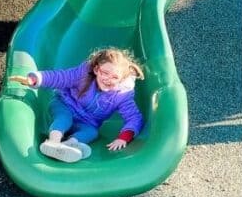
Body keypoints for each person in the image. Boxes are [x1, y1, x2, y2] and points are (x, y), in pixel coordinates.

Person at [9, 48, 146, 162]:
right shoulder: (83, 74)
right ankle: (53, 142)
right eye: (105, 73)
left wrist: (124, 138)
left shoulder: (122, 95)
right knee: (64, 119)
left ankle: (69, 146)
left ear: (122, 78)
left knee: (92, 132)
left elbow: (134, 117)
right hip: (64, 104)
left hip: (87, 121)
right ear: (97, 69)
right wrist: (34, 79)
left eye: (115, 77)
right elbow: (61, 77)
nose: (108, 79)